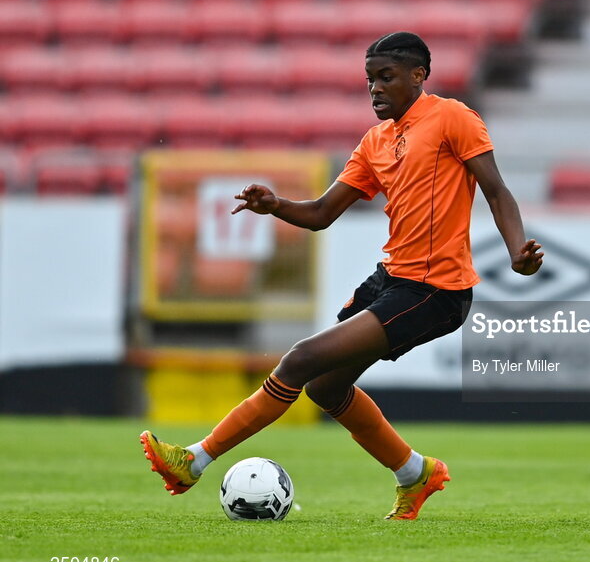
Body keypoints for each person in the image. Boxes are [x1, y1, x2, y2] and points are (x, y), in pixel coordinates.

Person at [140, 31, 544, 520]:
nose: (375, 88)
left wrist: (515, 249)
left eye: (386, 77)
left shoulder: (452, 118)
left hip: (436, 289)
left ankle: (194, 461)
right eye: (370, 79)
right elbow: (321, 212)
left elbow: (496, 190)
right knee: (326, 387)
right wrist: (276, 206)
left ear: (419, 76)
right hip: (392, 280)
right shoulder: (375, 142)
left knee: (300, 359)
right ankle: (416, 474)